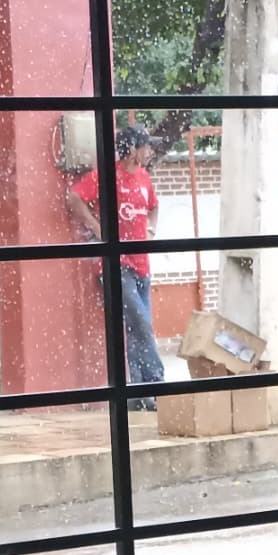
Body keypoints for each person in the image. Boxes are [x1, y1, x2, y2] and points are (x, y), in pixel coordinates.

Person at [71, 128, 165, 385]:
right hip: (117, 265)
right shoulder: (107, 176)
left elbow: (154, 206)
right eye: (146, 146)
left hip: (142, 264)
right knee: (141, 323)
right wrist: (96, 227)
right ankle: (157, 380)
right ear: (133, 149)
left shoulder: (144, 177)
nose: (150, 151)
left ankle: (140, 391)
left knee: (136, 328)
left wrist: (151, 229)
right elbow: (75, 198)